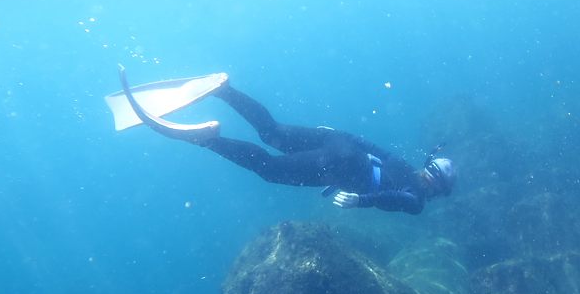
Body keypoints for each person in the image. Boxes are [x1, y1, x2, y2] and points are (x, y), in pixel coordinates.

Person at [110, 66, 456, 214]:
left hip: (338, 144)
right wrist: (358, 202)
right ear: (438, 189)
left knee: (271, 131)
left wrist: (331, 133)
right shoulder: (417, 201)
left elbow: (368, 144)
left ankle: (224, 90)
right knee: (270, 169)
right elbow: (397, 199)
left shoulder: (405, 163)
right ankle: (210, 140)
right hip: (340, 165)